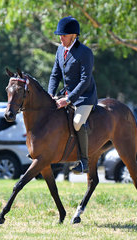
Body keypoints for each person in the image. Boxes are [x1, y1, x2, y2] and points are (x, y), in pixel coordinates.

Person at [48, 16, 98, 174]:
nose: (61, 38)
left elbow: (85, 81)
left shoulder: (85, 52)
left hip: (84, 97)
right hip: (66, 94)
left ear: (73, 36)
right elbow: (55, 75)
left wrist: (68, 99)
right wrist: (51, 94)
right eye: (60, 35)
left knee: (77, 122)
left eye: (64, 35)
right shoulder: (60, 50)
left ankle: (84, 161)